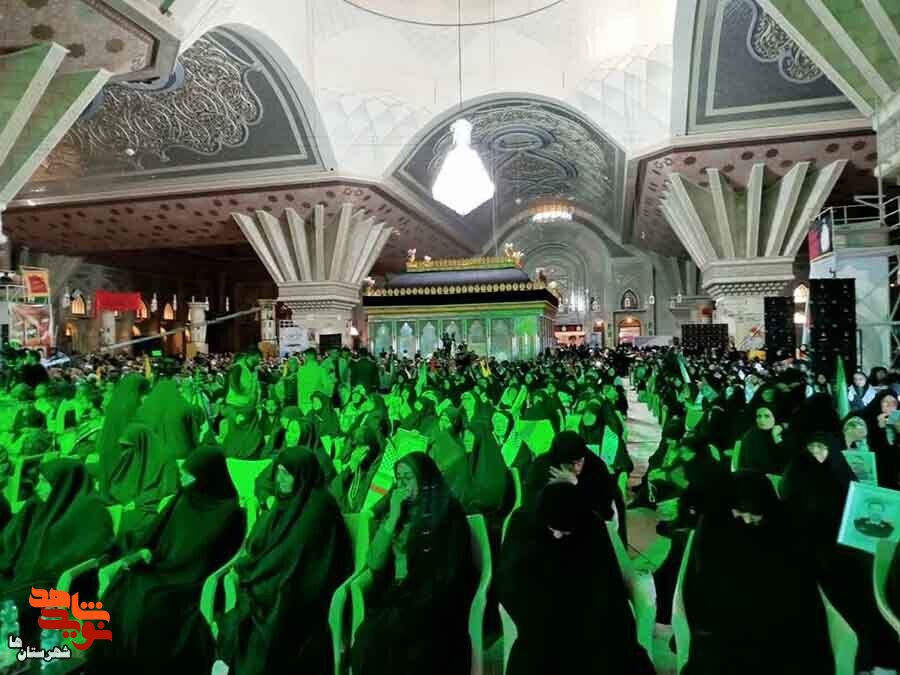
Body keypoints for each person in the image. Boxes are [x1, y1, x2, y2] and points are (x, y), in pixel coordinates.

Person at [88, 447, 246, 673]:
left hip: (193, 579)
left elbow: (216, 557)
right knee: (123, 591)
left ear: (207, 477)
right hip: (164, 568)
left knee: (151, 604)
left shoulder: (229, 513)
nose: (182, 479)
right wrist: (144, 553)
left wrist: (179, 568)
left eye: (188, 475)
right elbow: (157, 536)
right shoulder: (182, 500)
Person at [682, 471, 833, 674]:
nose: (746, 520)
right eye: (739, 512)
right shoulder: (714, 524)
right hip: (729, 618)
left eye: (754, 515)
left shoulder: (783, 524)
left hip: (775, 617)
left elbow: (796, 577)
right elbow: (709, 581)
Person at [217, 448, 352, 675]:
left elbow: (297, 555)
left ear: (302, 475)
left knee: (269, 611)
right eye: (277, 472)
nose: (279, 479)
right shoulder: (285, 502)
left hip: (305, 588)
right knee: (250, 613)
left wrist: (258, 572)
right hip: (279, 579)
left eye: (286, 474)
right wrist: (257, 570)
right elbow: (259, 543)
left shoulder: (319, 506)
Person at [498, 481, 654, 675]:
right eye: (552, 529)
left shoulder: (591, 525)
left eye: (565, 531)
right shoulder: (523, 524)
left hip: (590, 619)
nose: (557, 535)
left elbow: (606, 583)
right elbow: (510, 579)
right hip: (540, 620)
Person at [350, 452, 476, 675]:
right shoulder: (398, 514)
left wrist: (422, 592)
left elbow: (451, 568)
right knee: (368, 637)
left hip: (436, 597)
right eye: (399, 479)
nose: (403, 484)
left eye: (408, 478)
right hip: (401, 595)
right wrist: (392, 517)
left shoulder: (446, 511)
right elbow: (374, 562)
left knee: (407, 640)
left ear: (425, 478)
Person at [0, 460, 114, 647]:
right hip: (19, 577)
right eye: (38, 481)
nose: (37, 487)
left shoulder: (91, 510)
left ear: (64, 484)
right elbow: (8, 542)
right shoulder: (36, 506)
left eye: (44, 482)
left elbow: (89, 556)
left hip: (52, 586)